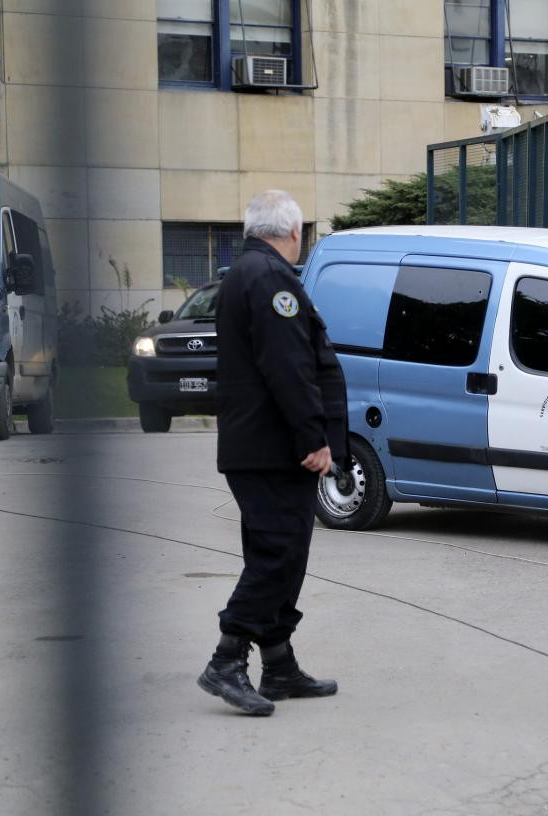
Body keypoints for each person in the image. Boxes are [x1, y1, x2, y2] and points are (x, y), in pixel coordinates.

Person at [197, 190, 349, 716]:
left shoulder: (250, 272)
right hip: (272, 448)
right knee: (276, 554)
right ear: (293, 231)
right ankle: (226, 659)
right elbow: (288, 365)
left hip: (263, 447)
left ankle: (278, 665)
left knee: (285, 554)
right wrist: (312, 437)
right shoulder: (269, 278)